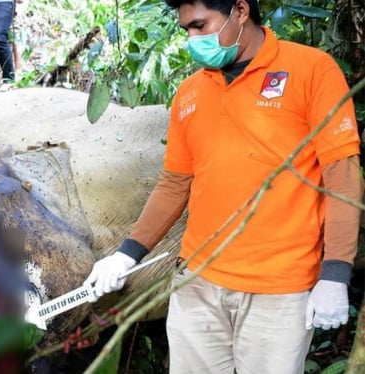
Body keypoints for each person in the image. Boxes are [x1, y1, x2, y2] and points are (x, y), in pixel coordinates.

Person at [82, 0, 363, 373]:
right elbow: (173, 184)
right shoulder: (190, 93)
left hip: (279, 290)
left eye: (200, 25)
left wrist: (335, 274)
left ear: (240, 11)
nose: (193, 39)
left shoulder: (312, 70)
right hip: (197, 283)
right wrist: (127, 254)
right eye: (186, 30)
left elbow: (341, 176)